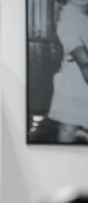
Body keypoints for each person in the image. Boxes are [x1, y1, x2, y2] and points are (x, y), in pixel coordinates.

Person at [48, 0, 88, 142]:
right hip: (74, 83)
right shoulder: (68, 19)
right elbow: (85, 63)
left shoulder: (82, 15)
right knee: (67, 131)